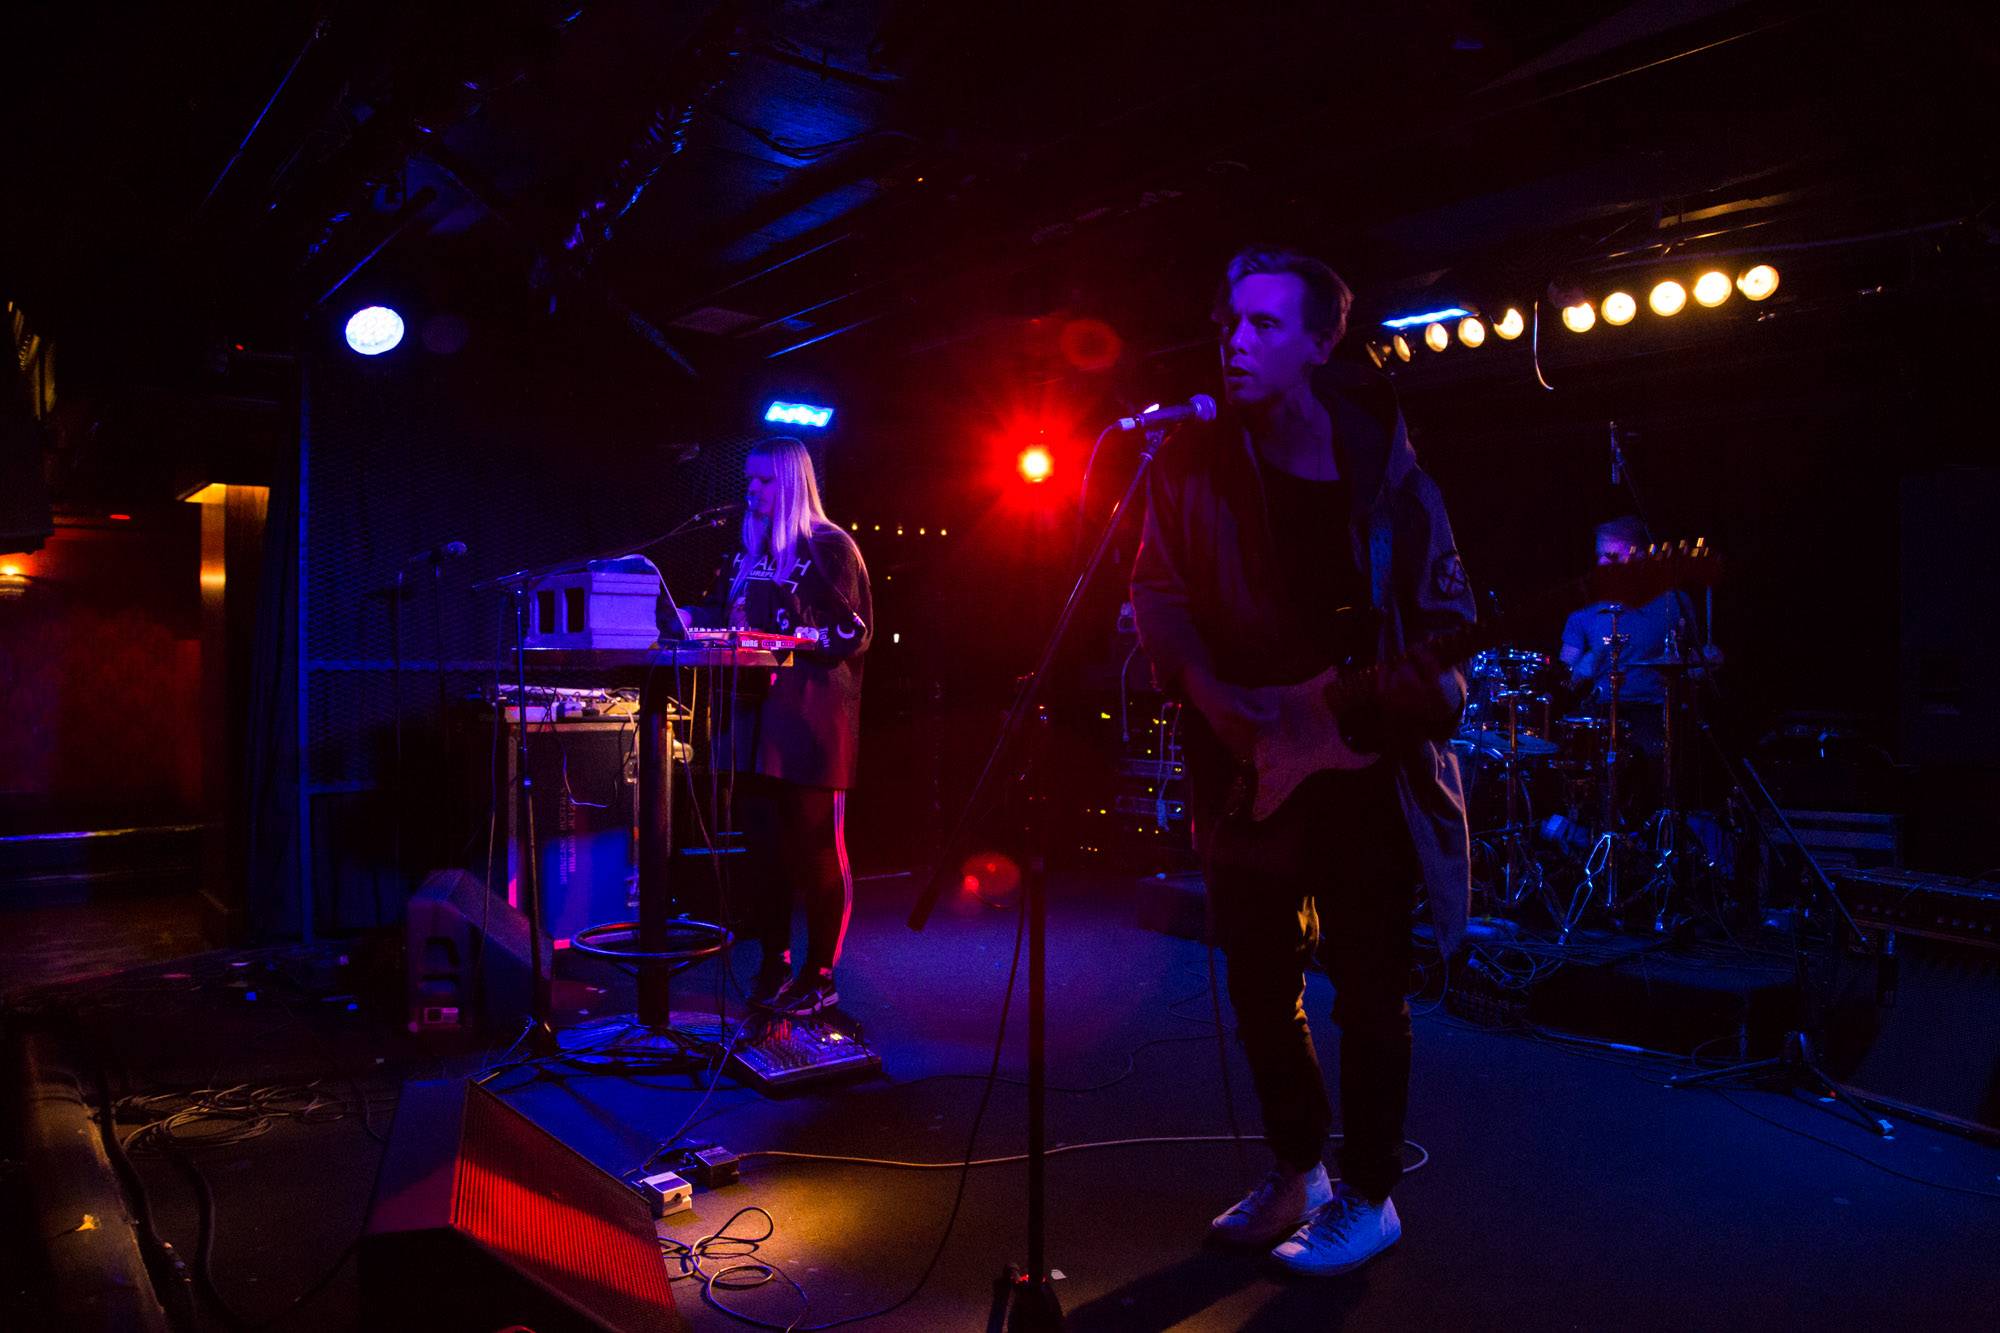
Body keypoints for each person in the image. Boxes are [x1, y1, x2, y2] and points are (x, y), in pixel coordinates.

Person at [1131, 246, 1475, 1276]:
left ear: (1319, 344)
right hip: (1242, 764)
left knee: (1368, 987)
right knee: (1253, 976)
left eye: (1265, 326)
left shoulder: (1385, 471)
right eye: (1231, 321)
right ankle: (1296, 1170)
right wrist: (1208, 694)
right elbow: (1157, 594)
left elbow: (1449, 614)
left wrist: (1416, 686)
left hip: (1359, 766)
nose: (1235, 341)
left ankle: (1368, 1193)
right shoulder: (1187, 462)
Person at [680, 435, 872, 1018]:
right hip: (751, 720)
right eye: (749, 480)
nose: (752, 491)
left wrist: (786, 641)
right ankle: (774, 961)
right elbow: (726, 616)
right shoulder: (745, 553)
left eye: (763, 481)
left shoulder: (829, 547)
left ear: (790, 484)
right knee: (764, 851)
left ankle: (821, 974)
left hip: (811, 721)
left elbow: (853, 633)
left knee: (816, 848)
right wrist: (688, 617)